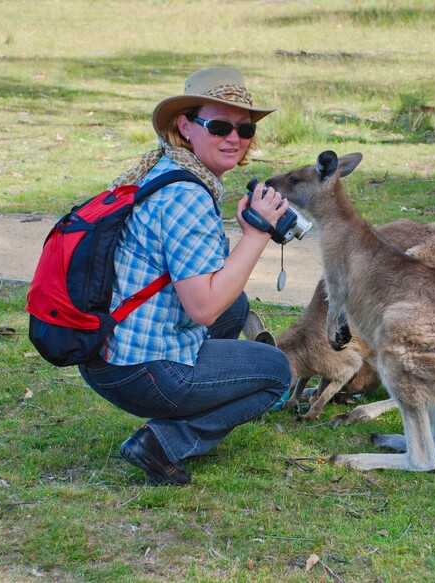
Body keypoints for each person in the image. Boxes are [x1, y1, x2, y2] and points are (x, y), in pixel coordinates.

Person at [78, 67, 292, 486]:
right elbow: (203, 306)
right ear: (185, 126)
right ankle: (164, 441)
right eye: (218, 125)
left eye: (244, 129)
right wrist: (257, 233)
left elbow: (216, 301)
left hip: (104, 353)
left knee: (238, 308)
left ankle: (189, 399)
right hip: (139, 369)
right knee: (276, 372)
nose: (233, 137)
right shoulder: (187, 195)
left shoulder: (165, 168)